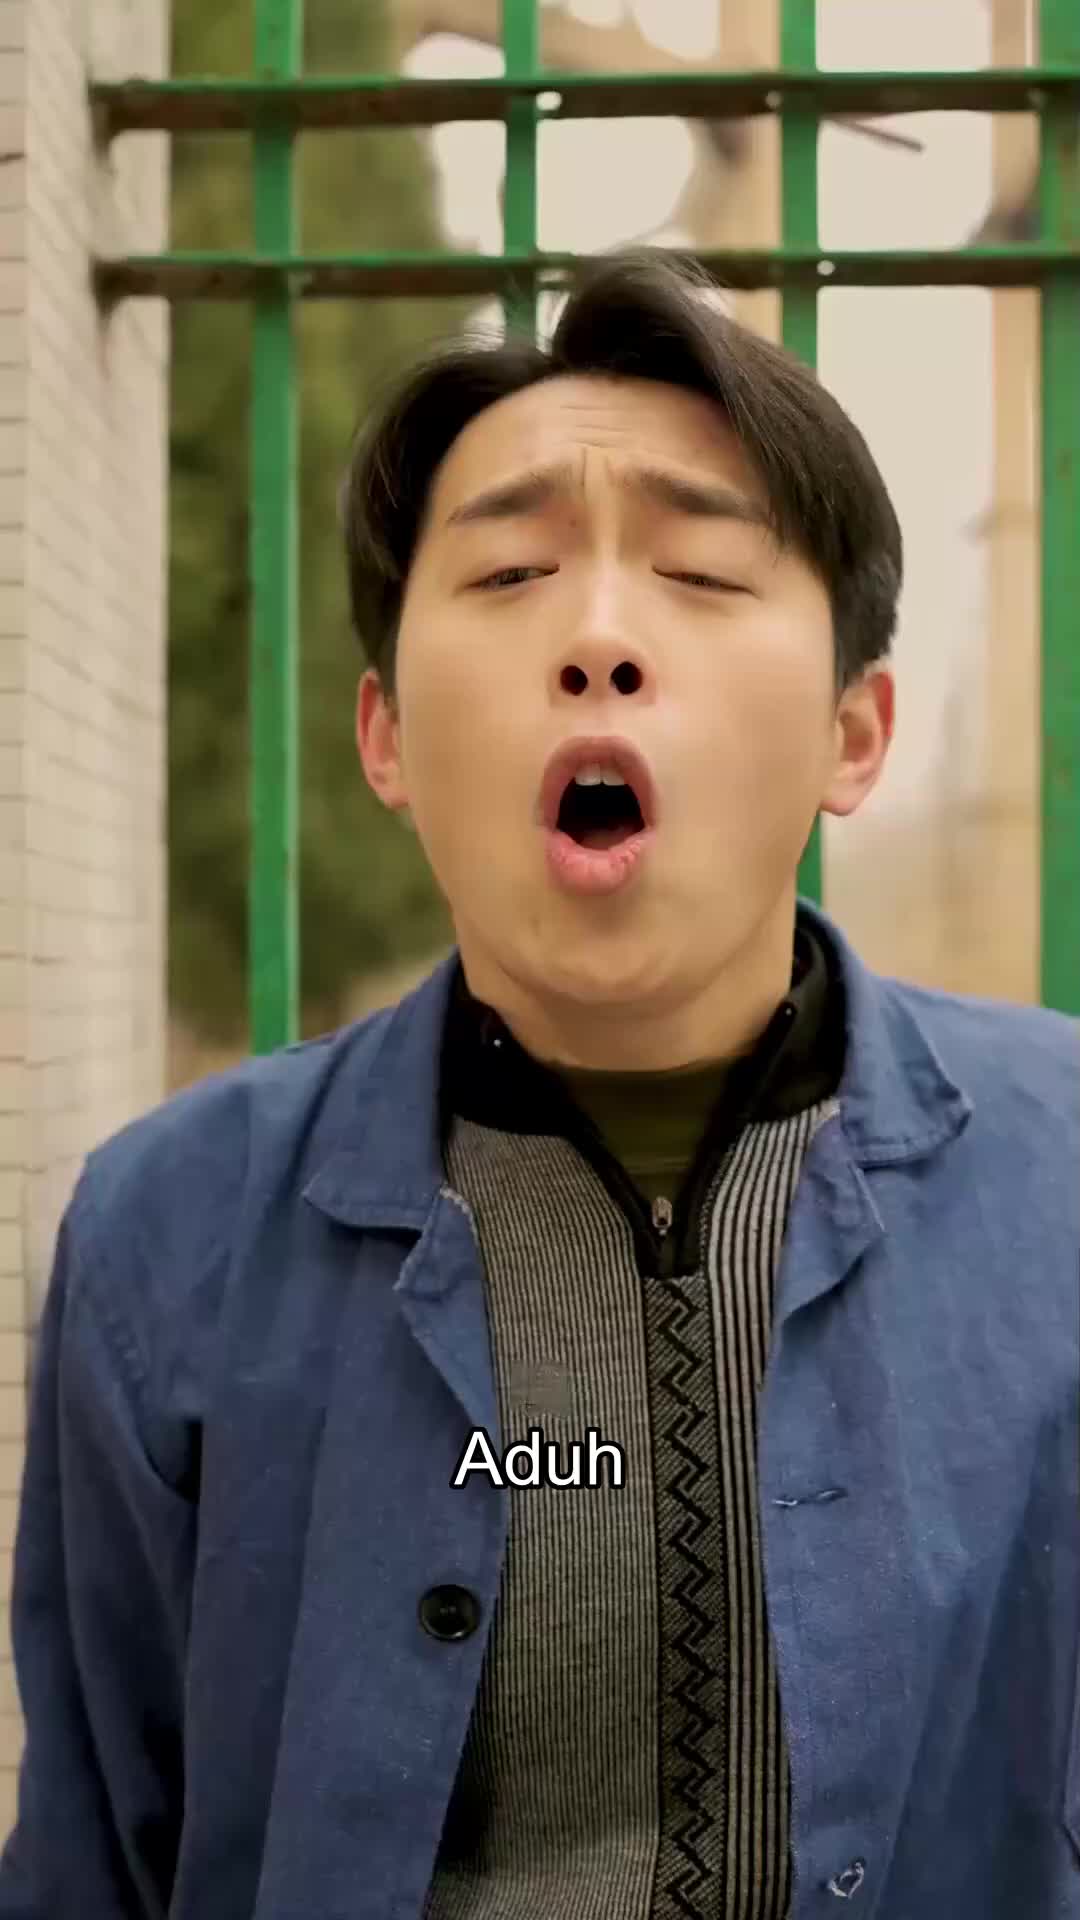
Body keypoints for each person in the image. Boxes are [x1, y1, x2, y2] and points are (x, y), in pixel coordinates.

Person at [0, 249, 1077, 1920]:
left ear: (853, 733)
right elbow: (97, 1859)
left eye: (702, 572)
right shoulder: (173, 1234)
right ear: (384, 738)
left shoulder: (1062, 1184)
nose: (598, 638)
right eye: (509, 573)